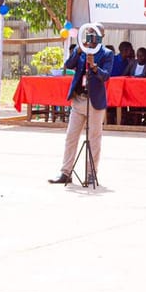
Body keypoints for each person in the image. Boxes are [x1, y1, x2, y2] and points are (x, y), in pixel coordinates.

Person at [49, 23, 114, 185]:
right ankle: (65, 172)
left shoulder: (107, 53)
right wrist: (78, 51)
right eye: (89, 33)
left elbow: (106, 76)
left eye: (95, 34)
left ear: (102, 36)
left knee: (94, 139)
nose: (91, 36)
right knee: (71, 136)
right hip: (78, 99)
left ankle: (91, 174)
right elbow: (69, 65)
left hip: (95, 101)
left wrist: (94, 67)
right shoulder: (82, 50)